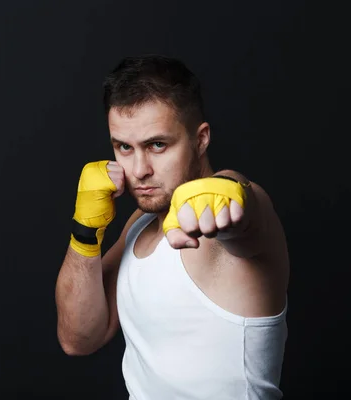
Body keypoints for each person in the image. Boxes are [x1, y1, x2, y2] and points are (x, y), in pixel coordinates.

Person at [55, 54, 290, 400]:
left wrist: (229, 191)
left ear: (202, 138)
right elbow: (78, 338)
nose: (139, 170)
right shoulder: (140, 224)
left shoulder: (231, 213)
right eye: (124, 147)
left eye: (157, 145)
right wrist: (85, 233)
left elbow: (244, 211)